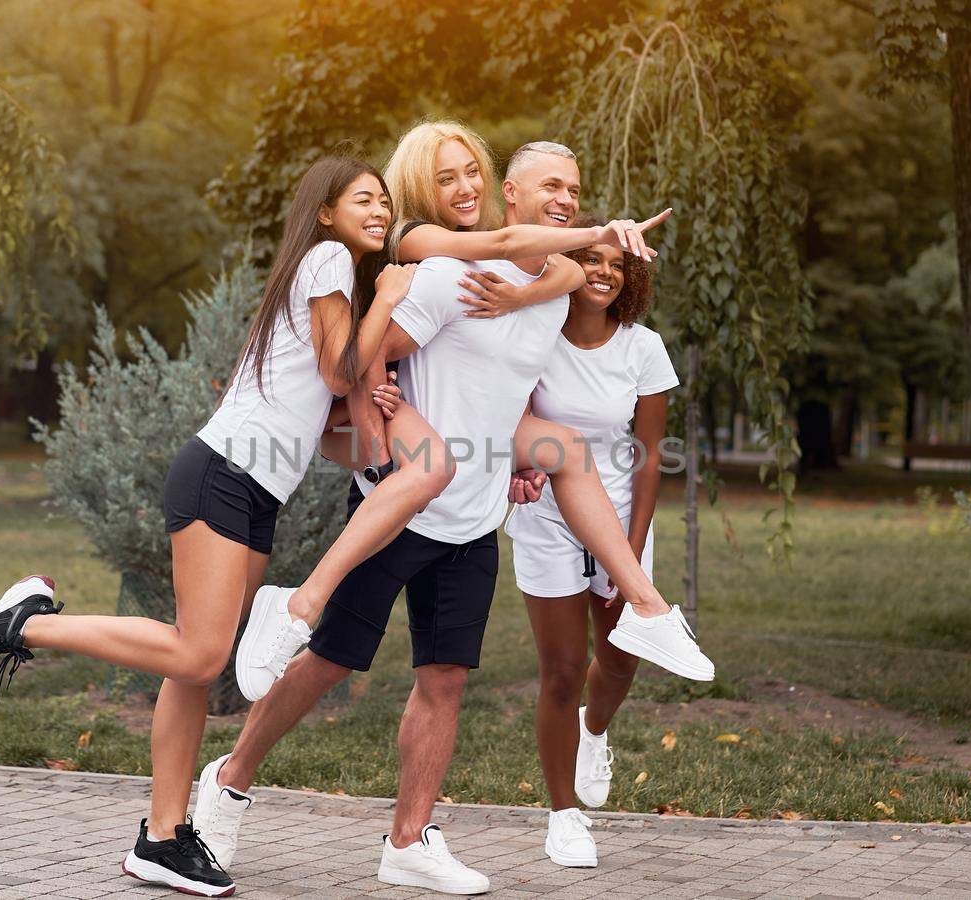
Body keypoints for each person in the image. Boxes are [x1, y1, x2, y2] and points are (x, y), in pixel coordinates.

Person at [194, 139, 713, 896]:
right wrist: (377, 433)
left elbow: (515, 384)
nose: (566, 200)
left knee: (445, 679)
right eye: (550, 189)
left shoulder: (557, 291)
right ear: (513, 195)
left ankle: (409, 840)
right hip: (398, 505)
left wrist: (518, 457)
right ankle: (230, 778)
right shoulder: (449, 275)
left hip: (472, 521)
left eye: (574, 189)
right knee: (330, 662)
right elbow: (367, 362)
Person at [0, 157, 418, 898]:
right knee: (200, 656)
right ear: (324, 212)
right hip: (222, 475)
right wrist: (389, 294)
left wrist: (371, 406)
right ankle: (23, 624)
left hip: (251, 487)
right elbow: (338, 370)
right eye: (365, 198)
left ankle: (162, 839)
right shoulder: (328, 259)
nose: (381, 210)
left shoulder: (325, 279)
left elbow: (321, 398)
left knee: (192, 662)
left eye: (385, 201)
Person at [234, 120, 674, 703]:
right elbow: (501, 250)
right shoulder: (415, 237)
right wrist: (600, 232)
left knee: (562, 450)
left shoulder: (477, 254)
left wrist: (523, 294)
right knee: (428, 472)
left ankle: (645, 601)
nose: (466, 187)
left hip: (435, 453)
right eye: (447, 178)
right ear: (422, 186)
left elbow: (555, 271)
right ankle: (297, 605)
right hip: (358, 404)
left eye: (472, 172)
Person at [505, 215, 677, 868]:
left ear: (629, 276)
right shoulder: (536, 339)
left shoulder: (643, 347)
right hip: (547, 518)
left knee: (622, 659)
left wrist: (628, 552)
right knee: (562, 671)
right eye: (592, 260)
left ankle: (594, 731)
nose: (604, 272)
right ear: (569, 267)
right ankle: (564, 815)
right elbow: (509, 417)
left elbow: (652, 456)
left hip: (623, 523)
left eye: (617, 264)